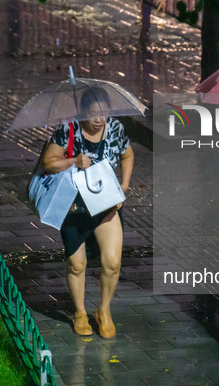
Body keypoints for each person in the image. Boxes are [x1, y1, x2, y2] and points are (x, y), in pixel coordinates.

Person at [41, 87, 134, 339]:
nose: (99, 120)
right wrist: (73, 161)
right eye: (93, 114)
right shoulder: (67, 129)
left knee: (113, 263)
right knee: (77, 264)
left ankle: (103, 310)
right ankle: (80, 312)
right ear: (82, 112)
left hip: (105, 205)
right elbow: (48, 162)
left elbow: (127, 154)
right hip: (73, 207)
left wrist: (123, 187)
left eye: (104, 113)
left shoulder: (115, 128)